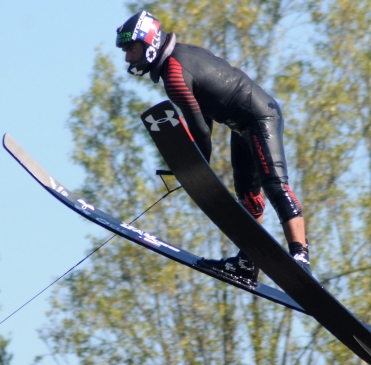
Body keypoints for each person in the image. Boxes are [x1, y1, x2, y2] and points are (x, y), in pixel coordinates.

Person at [116, 11, 311, 284]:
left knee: (275, 185)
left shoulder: (174, 74)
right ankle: (248, 261)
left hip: (259, 117)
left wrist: (194, 167)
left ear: (149, 43)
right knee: (248, 195)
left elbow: (201, 131)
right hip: (241, 124)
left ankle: (300, 256)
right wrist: (195, 163)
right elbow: (203, 112)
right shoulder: (179, 57)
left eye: (131, 49)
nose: (127, 57)